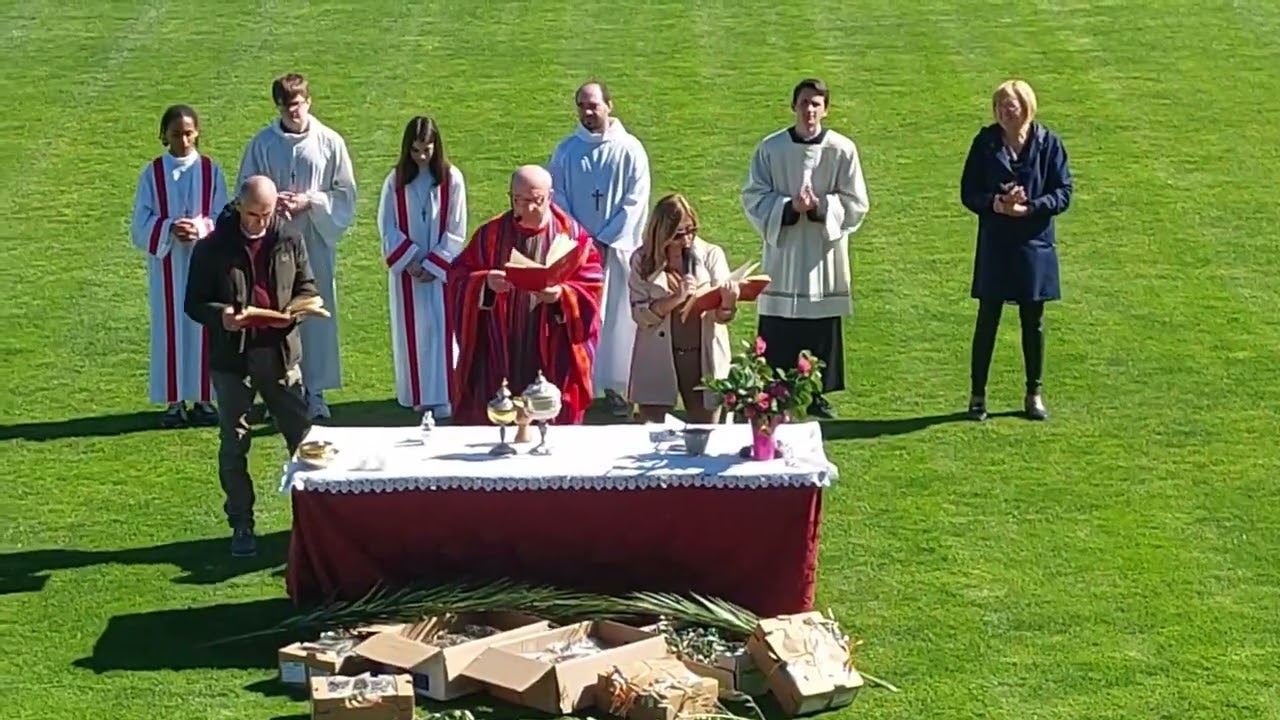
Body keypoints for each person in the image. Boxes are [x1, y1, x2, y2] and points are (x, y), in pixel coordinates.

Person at [184, 176, 317, 557]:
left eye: (267, 214)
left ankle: (312, 522)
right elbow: (194, 303)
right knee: (234, 444)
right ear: (239, 206)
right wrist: (221, 316)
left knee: (304, 441)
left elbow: (307, 286)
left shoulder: (289, 238)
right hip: (233, 360)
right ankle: (241, 523)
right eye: (253, 214)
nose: (260, 222)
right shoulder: (213, 247)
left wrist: (297, 311)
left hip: (280, 355)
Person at [741, 78, 869, 419]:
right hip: (784, 252)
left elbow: (857, 202)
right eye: (804, 103)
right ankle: (773, 390)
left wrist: (820, 207)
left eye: (816, 104)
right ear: (793, 106)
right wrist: (788, 207)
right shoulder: (771, 149)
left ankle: (816, 393)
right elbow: (753, 195)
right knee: (780, 322)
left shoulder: (842, 150)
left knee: (819, 324)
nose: (809, 110)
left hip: (821, 252)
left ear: (826, 109)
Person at [237, 72, 356, 420]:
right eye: (286, 106)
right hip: (273, 243)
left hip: (315, 241)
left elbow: (345, 194)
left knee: (314, 314)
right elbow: (245, 189)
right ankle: (279, 392)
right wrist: (271, 206)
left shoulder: (329, 142)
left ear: (309, 101)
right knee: (276, 315)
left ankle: (315, 392)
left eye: (298, 104)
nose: (293, 111)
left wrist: (311, 202)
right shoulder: (262, 144)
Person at [448, 165, 604, 425]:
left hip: (552, 349)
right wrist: (485, 283)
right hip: (498, 349)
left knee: (550, 420)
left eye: (535, 200)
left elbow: (592, 286)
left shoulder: (574, 238)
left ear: (550, 197)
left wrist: (561, 296)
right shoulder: (491, 235)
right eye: (518, 200)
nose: (527, 208)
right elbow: (458, 276)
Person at [960, 79, 1073, 422]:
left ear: (1026, 108)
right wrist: (996, 203)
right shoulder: (985, 143)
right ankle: (977, 395)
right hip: (996, 243)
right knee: (987, 319)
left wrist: (1031, 207)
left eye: (1010, 106)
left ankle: (1033, 394)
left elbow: (1063, 192)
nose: (1003, 113)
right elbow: (969, 192)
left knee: (1032, 321)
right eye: (998, 107)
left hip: (1033, 244)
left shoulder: (1048, 144)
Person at [549, 80, 651, 418]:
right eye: (581, 106)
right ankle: (578, 384)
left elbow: (636, 201)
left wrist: (606, 241)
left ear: (609, 105)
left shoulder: (630, 149)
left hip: (617, 254)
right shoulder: (566, 151)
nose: (587, 112)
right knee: (580, 318)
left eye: (593, 105)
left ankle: (618, 388)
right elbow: (558, 198)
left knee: (618, 320)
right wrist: (583, 242)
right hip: (577, 255)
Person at [130, 105, 231, 428]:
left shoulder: (210, 171)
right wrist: (169, 228)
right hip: (168, 265)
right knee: (170, 328)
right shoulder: (153, 173)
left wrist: (200, 228)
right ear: (164, 136)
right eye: (176, 134)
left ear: (197, 133)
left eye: (188, 134)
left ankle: (203, 399)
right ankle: (174, 402)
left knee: (205, 327)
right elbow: (140, 222)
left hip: (205, 263)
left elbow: (224, 216)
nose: (183, 141)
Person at [377, 116, 468, 416]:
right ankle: (415, 394)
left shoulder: (452, 179)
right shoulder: (395, 181)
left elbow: (456, 227)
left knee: (442, 331)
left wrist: (435, 263)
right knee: (412, 334)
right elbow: (387, 225)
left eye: (427, 150)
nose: (421, 157)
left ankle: (444, 395)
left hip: (440, 275)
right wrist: (410, 261)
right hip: (408, 275)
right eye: (415, 151)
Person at [626, 194, 736, 424]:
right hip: (657, 357)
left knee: (705, 432)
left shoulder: (711, 254)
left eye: (691, 230)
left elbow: (721, 316)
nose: (686, 240)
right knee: (651, 432)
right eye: (678, 235)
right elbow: (641, 315)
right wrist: (677, 298)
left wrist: (728, 303)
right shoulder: (642, 260)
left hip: (701, 356)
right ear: (662, 234)